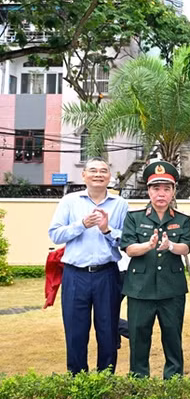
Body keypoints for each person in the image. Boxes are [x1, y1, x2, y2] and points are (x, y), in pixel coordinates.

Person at [47, 158, 129, 374]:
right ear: (84, 175)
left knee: (108, 331)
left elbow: (127, 240)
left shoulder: (120, 204)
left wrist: (107, 229)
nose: (98, 174)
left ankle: (105, 381)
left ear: (109, 177)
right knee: (75, 332)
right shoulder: (69, 201)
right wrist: (81, 225)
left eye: (103, 171)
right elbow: (55, 234)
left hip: (107, 275)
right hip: (75, 275)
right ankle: (77, 381)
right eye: (93, 170)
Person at [120, 160, 190, 378]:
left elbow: (186, 247)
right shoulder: (134, 218)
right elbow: (129, 249)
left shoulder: (182, 220)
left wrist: (170, 245)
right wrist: (148, 246)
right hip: (140, 289)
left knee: (172, 336)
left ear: (173, 192)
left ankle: (173, 380)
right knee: (139, 336)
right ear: (148, 190)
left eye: (166, 189)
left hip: (172, 290)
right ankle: (139, 380)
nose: (161, 193)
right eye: (156, 188)